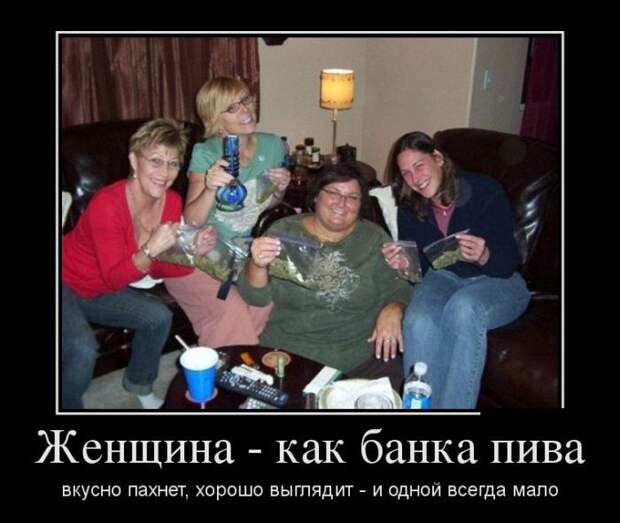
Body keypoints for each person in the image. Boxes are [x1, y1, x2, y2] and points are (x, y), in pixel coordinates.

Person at [61, 118, 217, 410]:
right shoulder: (107, 204)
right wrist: (151, 248)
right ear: (134, 160)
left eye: (173, 163)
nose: (165, 173)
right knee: (81, 349)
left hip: (99, 287)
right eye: (155, 161)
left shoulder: (171, 202)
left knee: (157, 317)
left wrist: (191, 253)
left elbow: (160, 267)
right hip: (65, 280)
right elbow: (115, 278)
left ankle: (139, 384)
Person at [382, 131, 531, 409]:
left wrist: (484, 255)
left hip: (497, 279)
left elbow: (509, 263)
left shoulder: (485, 191)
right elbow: (421, 271)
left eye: (419, 166)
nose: (415, 179)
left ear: (438, 158)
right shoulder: (409, 207)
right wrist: (406, 264)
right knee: (418, 319)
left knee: (464, 308)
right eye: (406, 173)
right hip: (443, 277)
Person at [236, 163, 413, 386]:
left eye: (352, 197)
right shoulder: (285, 232)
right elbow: (254, 297)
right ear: (316, 196)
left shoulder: (374, 238)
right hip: (291, 356)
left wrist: (394, 307)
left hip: (359, 359)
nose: (342, 203)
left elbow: (400, 287)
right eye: (334, 193)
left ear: (361, 205)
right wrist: (257, 264)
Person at [164, 76, 291, 347]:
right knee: (232, 312)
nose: (246, 111)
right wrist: (210, 188)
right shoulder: (206, 152)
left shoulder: (273, 146)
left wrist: (280, 189)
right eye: (232, 108)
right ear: (216, 119)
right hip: (195, 252)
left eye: (246, 101)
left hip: (240, 253)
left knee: (264, 302)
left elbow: (266, 204)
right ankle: (231, 366)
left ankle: (233, 360)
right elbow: (192, 221)